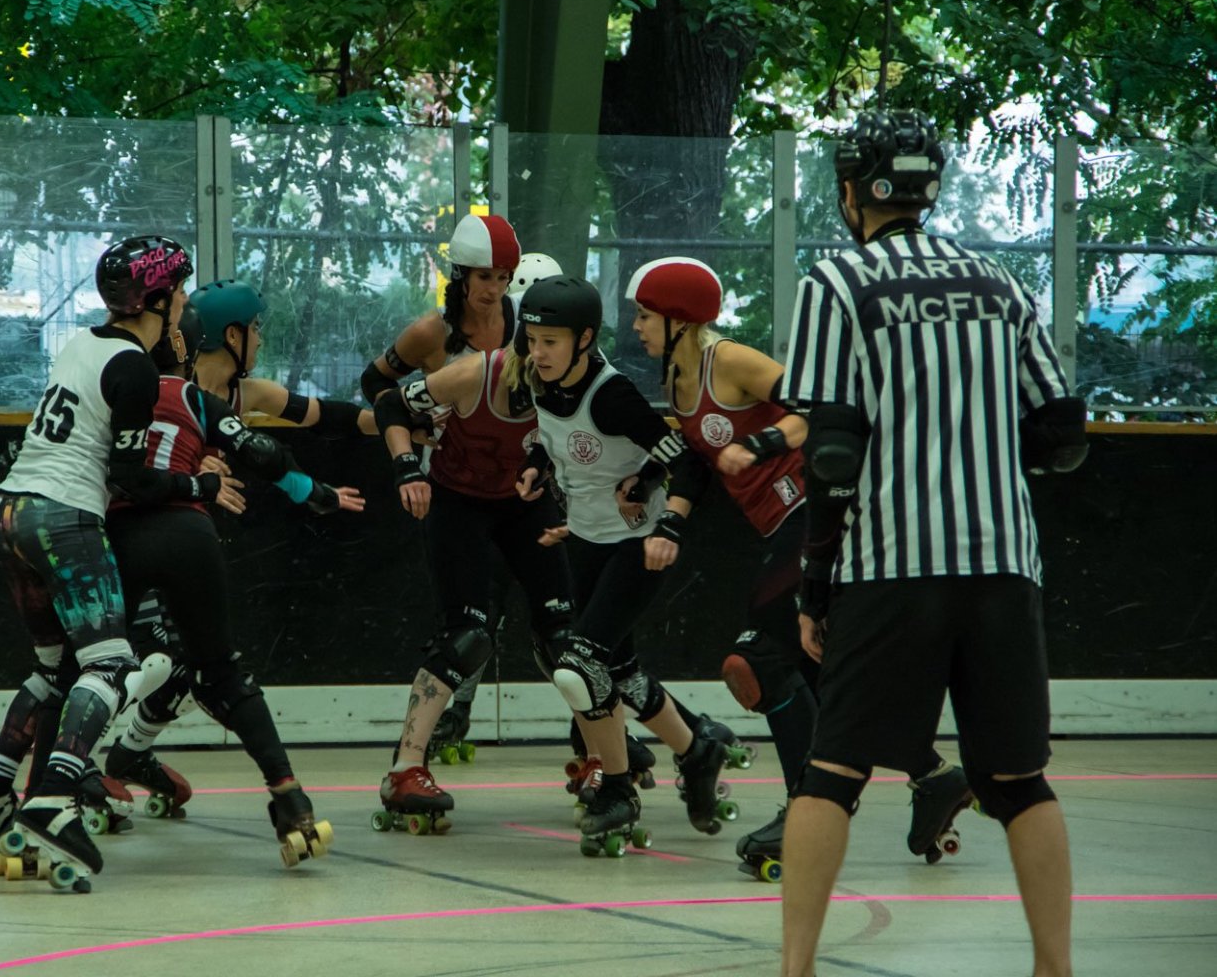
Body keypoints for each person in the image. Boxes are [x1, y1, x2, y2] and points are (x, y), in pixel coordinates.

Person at [777, 110, 1085, 977]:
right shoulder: (999, 282)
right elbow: (1061, 432)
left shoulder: (839, 282)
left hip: (890, 565)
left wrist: (813, 586)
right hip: (1000, 562)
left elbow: (831, 452)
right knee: (1018, 779)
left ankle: (795, 969)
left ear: (853, 192)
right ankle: (1053, 968)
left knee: (831, 772)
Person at [625, 256, 972, 881]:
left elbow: (817, 408)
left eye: (645, 315)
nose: (637, 326)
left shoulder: (726, 361)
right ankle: (934, 776)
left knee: (757, 660)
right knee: (825, 682)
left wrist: (761, 443)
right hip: (784, 529)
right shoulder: (675, 380)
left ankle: (806, 810)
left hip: (825, 516)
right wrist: (670, 520)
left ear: (680, 321)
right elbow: (701, 461)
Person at [0, 235, 202, 889]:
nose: (182, 304)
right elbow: (130, 479)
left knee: (49, 669)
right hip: (62, 517)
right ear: (157, 298)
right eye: (178, 292)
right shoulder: (136, 368)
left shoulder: (80, 345)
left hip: (9, 513)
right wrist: (195, 486)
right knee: (111, 663)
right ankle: (51, 800)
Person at [101, 307, 365, 866]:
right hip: (186, 532)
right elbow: (266, 456)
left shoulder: (114, 384)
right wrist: (314, 493)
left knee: (92, 666)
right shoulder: (197, 399)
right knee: (216, 672)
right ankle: (289, 795)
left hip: (121, 530)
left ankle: (62, 781)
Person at [511, 275, 736, 847]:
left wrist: (660, 508)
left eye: (551, 342)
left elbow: (688, 461)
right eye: (532, 340)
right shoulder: (542, 379)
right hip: (587, 536)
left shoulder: (611, 396)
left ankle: (616, 787)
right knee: (621, 673)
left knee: (578, 665)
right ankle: (697, 749)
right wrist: (537, 465)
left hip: (636, 544)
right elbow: (546, 435)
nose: (537, 353)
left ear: (585, 339)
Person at [369, 331, 575, 832]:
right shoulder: (475, 374)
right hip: (457, 500)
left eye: (557, 348)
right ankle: (405, 769)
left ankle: (599, 759)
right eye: (538, 350)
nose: (546, 361)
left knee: (566, 637)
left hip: (525, 502)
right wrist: (404, 470)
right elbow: (390, 406)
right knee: (467, 637)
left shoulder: (581, 375)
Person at [357, 215, 525, 760]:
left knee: (525, 612)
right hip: (452, 482)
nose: (494, 291)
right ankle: (427, 734)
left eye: (503, 278)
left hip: (511, 482)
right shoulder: (432, 332)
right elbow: (375, 383)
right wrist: (419, 434)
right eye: (484, 280)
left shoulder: (521, 323)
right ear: (461, 276)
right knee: (465, 616)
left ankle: (463, 713)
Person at [187, 278, 378, 438]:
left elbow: (326, 415)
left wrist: (390, 419)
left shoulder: (246, 391)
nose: (259, 341)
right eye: (254, 328)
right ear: (232, 336)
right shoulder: (171, 391)